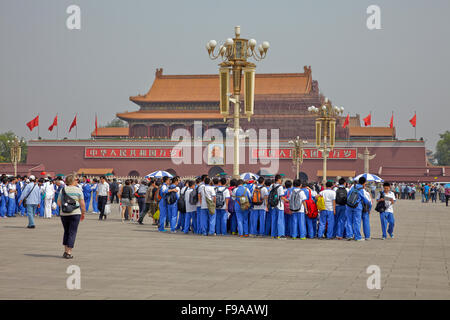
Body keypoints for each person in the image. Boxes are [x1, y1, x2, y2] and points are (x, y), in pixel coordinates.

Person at [57, 175, 86, 259]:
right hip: (75, 213)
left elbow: (58, 203)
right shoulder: (78, 190)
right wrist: (83, 213)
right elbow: (82, 204)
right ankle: (69, 252)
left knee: (66, 231)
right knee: (72, 232)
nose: (77, 181)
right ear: (73, 181)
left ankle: (65, 251)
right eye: (76, 180)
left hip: (64, 213)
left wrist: (65, 205)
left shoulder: (63, 190)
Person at [345, 177, 372, 241]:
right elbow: (364, 200)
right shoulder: (361, 189)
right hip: (357, 207)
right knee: (357, 222)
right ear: (364, 183)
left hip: (349, 206)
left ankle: (349, 235)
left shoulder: (352, 187)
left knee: (349, 221)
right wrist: (369, 205)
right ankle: (357, 237)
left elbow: (348, 195)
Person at [269, 174, 286, 240]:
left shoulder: (272, 186)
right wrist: (287, 200)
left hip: (273, 205)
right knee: (280, 220)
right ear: (278, 180)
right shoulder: (280, 187)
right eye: (281, 179)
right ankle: (280, 234)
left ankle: (273, 234)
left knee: (274, 220)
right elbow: (281, 196)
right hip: (279, 205)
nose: (281, 181)